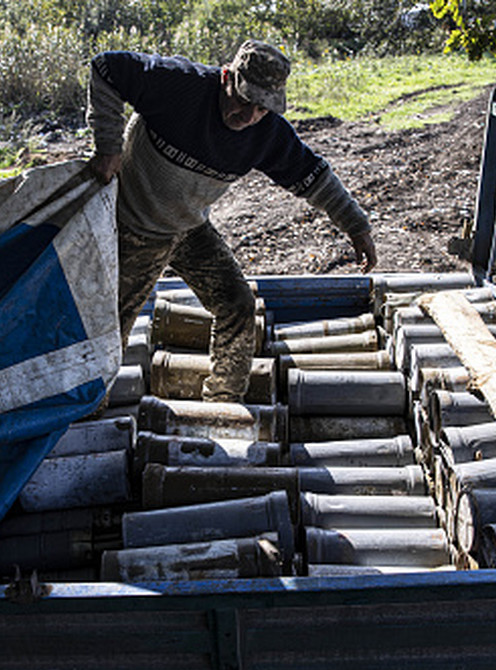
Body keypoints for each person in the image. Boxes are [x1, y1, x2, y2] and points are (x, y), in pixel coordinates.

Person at [87, 39, 377, 403]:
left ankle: (222, 404)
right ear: (226, 76)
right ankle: (85, 414)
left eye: (261, 108)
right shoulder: (180, 84)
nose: (249, 115)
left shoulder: (267, 132)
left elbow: (313, 177)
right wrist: (108, 146)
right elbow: (107, 68)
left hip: (188, 227)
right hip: (135, 226)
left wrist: (357, 226)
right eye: (243, 100)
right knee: (110, 327)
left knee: (238, 304)